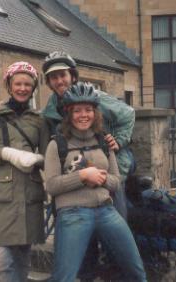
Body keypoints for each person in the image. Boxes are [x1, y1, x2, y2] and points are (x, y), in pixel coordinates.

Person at [44, 82, 147, 282]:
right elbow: (52, 185)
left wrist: (101, 177)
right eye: (77, 110)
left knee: (136, 272)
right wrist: (82, 176)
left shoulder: (103, 142)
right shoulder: (57, 144)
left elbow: (116, 181)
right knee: (64, 277)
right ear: (68, 114)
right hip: (73, 214)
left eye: (88, 110)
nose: (83, 115)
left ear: (95, 112)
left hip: (106, 211)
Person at [0, 62, 49, 282]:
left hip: (29, 195)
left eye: (27, 84)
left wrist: (37, 158)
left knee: (22, 261)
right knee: (2, 264)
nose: (22, 88)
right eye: (18, 83)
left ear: (33, 88)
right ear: (9, 85)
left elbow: (48, 158)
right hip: (1, 198)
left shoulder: (39, 120)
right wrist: (5, 153)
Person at [41, 51, 135, 219]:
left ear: (73, 76)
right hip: (77, 169)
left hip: (109, 161)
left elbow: (127, 114)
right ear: (48, 82)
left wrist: (119, 141)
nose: (59, 81)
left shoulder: (93, 96)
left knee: (116, 214)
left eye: (63, 75)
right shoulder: (51, 108)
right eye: (53, 77)